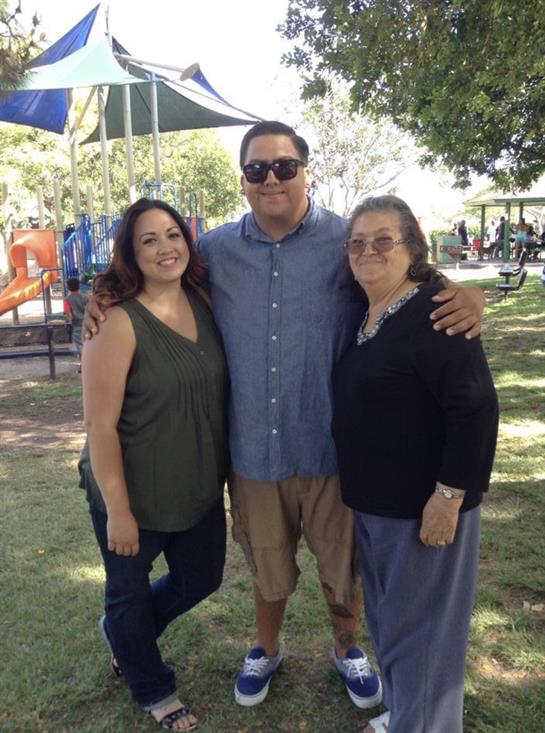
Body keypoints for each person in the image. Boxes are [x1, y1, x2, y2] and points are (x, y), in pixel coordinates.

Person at [84, 121, 486, 712]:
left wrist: (465, 293)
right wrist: (100, 296)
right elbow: (149, 278)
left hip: (331, 449)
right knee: (267, 565)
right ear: (243, 181)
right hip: (252, 452)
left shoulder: (345, 242)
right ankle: (264, 647)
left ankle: (346, 647)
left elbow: (403, 270)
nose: (271, 178)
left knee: (339, 567)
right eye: (256, 169)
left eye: (284, 166)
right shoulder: (213, 252)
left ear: (305, 170)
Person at [331, 195, 498, 733]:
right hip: (376, 507)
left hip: (424, 510)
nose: (368, 250)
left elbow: (475, 409)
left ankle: (424, 722)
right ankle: (408, 716)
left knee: (423, 641)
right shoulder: (368, 313)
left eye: (384, 239)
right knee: (391, 629)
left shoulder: (437, 312)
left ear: (413, 249)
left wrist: (448, 499)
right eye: (357, 242)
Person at [79, 198, 229, 730]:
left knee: (202, 578)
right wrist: (119, 510)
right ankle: (152, 686)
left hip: (197, 481)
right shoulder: (115, 322)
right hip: (131, 488)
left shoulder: (204, 299)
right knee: (128, 590)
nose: (166, 248)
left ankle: (125, 634)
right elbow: (99, 426)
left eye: (173, 235)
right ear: (131, 252)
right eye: (149, 239)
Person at [63, 276, 88, 372]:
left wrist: (69, 322)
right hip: (87, 323)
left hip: (76, 325)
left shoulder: (67, 300)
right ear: (79, 286)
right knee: (87, 344)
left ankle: (83, 366)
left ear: (68, 287)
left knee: (81, 347)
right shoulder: (85, 297)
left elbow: (69, 314)